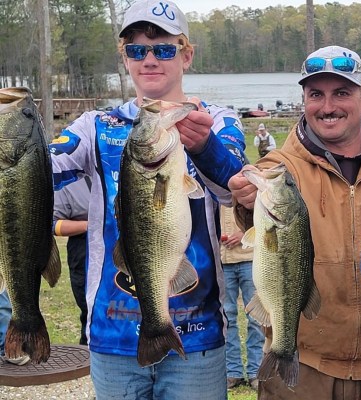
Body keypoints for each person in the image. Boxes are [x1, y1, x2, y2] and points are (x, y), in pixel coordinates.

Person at [48, 1, 246, 398]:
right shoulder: (95, 126)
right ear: (125, 59)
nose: (150, 59)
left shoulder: (216, 120)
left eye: (164, 49)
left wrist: (205, 147)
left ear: (186, 56)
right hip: (112, 336)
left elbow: (234, 189)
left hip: (198, 336)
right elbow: (40, 170)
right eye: (137, 50)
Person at [228, 45, 361, 400]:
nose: (327, 107)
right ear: (303, 101)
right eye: (315, 95)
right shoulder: (277, 171)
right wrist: (245, 200)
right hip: (302, 366)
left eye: (341, 93)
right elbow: (255, 220)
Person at [219, 205, 264, 391]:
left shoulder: (251, 187)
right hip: (222, 259)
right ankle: (233, 371)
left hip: (250, 258)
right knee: (227, 318)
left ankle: (256, 371)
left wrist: (243, 233)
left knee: (256, 317)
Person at [53, 177, 91, 346]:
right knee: (90, 312)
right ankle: (89, 356)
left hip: (127, 248)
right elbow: (53, 224)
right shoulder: (69, 179)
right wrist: (91, 225)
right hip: (84, 250)